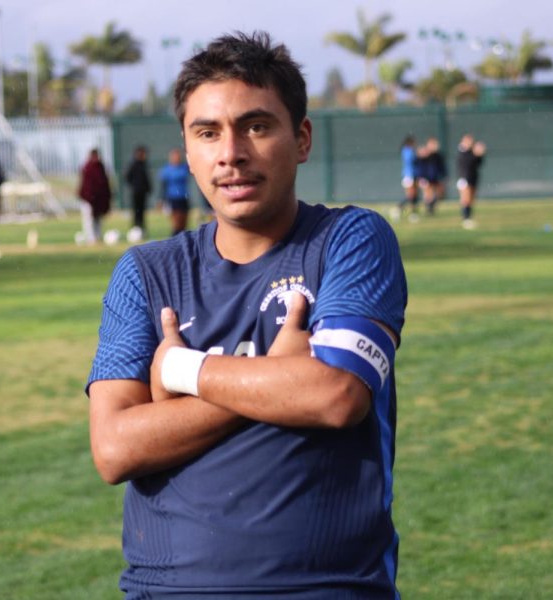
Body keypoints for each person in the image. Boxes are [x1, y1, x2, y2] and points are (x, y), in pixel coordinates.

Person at [87, 31, 407, 598]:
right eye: (207, 133)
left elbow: (335, 396)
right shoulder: (145, 272)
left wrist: (182, 372)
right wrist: (277, 380)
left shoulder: (349, 240)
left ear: (302, 138)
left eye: (256, 127)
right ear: (187, 149)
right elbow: (115, 449)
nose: (231, 153)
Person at [77, 148, 112, 244]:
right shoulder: (87, 168)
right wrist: (89, 197)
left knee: (98, 219)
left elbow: (104, 184)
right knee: (88, 219)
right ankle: (90, 238)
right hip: (88, 198)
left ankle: (98, 236)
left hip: (98, 199)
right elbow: (86, 185)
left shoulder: (101, 167)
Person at [456, 133, 486, 229]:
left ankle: (468, 217)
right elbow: (467, 162)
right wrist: (476, 153)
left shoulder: (471, 152)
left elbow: (478, 163)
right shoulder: (463, 151)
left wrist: (480, 155)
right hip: (465, 178)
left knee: (471, 199)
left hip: (473, 177)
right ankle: (466, 218)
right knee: (466, 199)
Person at [159, 147, 191, 235]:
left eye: (178, 156)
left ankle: (183, 240)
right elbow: (163, 186)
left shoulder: (185, 167)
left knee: (184, 222)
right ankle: (174, 238)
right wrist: (161, 200)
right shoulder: (166, 170)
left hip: (184, 197)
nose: (177, 158)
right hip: (173, 198)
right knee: (177, 221)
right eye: (174, 156)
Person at [124, 145, 151, 240]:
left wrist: (148, 188)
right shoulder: (134, 165)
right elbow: (127, 177)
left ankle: (141, 229)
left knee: (142, 212)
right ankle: (136, 230)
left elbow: (146, 179)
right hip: (136, 192)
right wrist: (134, 186)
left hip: (142, 192)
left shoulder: (144, 164)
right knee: (137, 211)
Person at [391, 134, 417, 223]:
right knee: (410, 195)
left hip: (412, 175)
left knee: (413, 196)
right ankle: (398, 208)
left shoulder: (410, 151)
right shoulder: (407, 151)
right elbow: (411, 159)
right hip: (408, 175)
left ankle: (412, 213)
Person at [418, 136, 446, 216]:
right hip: (425, 177)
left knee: (440, 194)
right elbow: (419, 165)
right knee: (428, 194)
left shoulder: (438, 155)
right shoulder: (424, 154)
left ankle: (431, 207)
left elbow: (441, 166)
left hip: (436, 177)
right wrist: (421, 177)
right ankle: (429, 210)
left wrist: (443, 175)